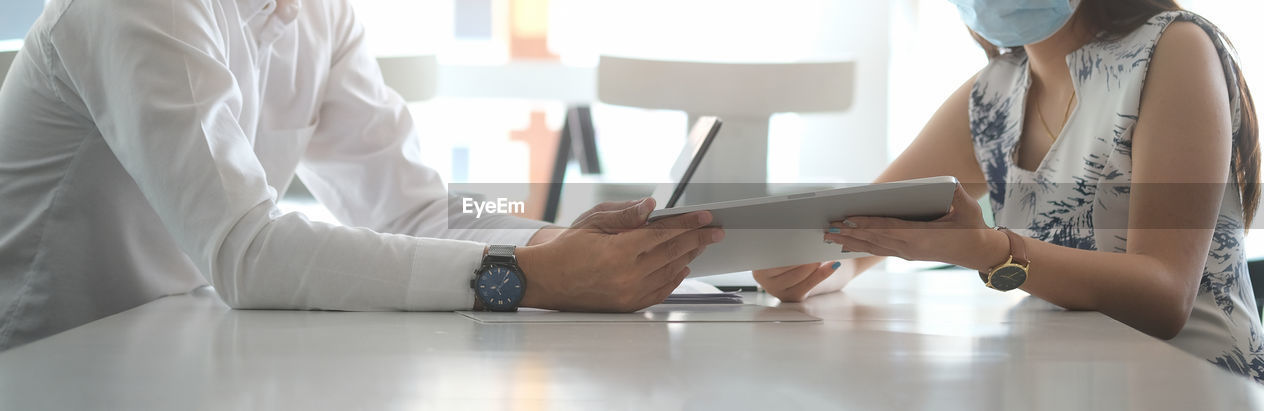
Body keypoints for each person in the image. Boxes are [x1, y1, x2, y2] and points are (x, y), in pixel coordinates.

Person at [0, 0, 724, 351]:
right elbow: (246, 253)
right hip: (48, 365)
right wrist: (535, 277)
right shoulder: (141, 5)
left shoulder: (319, 15)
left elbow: (414, 212)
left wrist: (565, 244)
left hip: (177, 348)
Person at [754, 0, 1264, 388]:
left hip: (1207, 386)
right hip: (1084, 386)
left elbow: (1165, 297)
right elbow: (863, 231)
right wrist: (809, 272)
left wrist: (989, 251)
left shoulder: (1173, 48)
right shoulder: (994, 93)